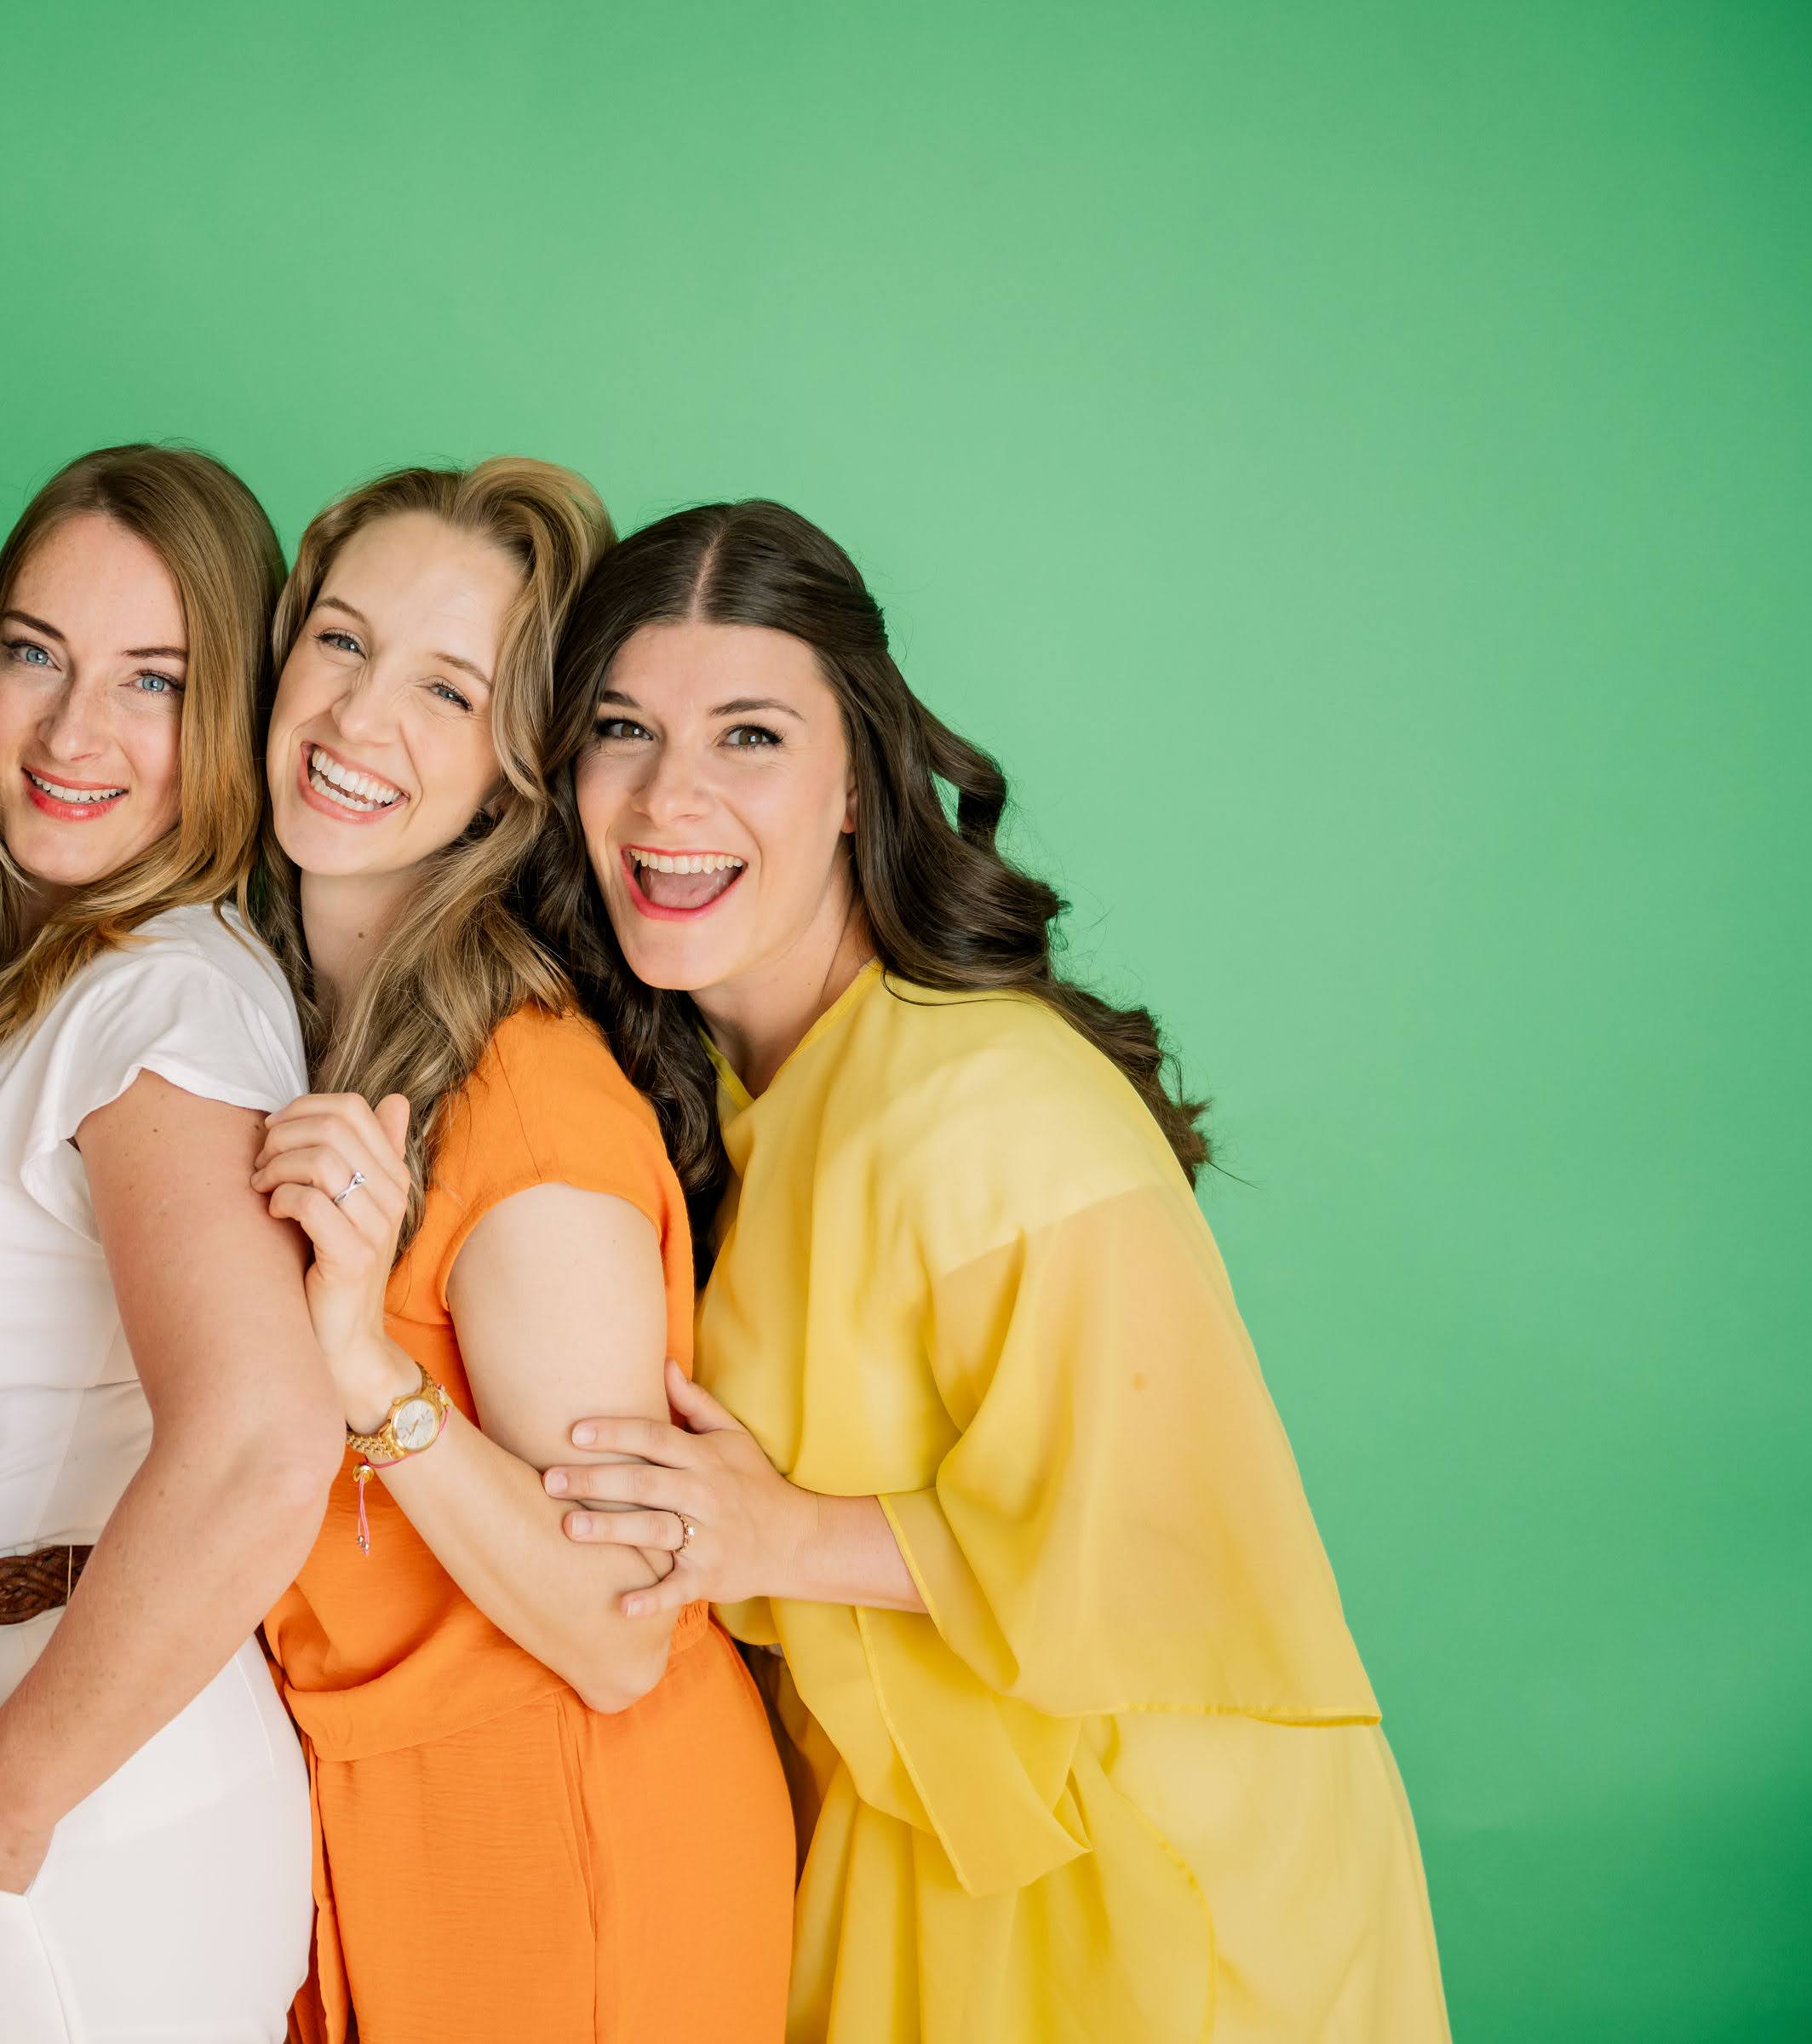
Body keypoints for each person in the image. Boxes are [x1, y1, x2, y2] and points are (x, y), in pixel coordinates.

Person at [530, 497, 1450, 2042]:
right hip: (920, 1869)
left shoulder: (995, 1109)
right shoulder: (730, 1095)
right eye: (621, 728)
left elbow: (1167, 1546)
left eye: (748, 735)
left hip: (1142, 1895)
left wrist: (787, 1535)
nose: (665, 798)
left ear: (852, 782)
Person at [244, 461, 801, 2043]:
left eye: (447, 687)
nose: (360, 723)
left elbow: (619, 1633)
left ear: (514, 766)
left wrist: (366, 1370)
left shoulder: (523, 1098)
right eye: (342, 645)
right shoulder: (308, 1031)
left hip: (570, 1843)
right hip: (395, 1830)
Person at [0, 445, 341, 2041]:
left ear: (229, 712)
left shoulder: (162, 996)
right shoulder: (57, 980)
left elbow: (259, 1443)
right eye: (32, 652)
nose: (73, 732)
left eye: (153, 681)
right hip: (29, 1742)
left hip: (82, 1791)